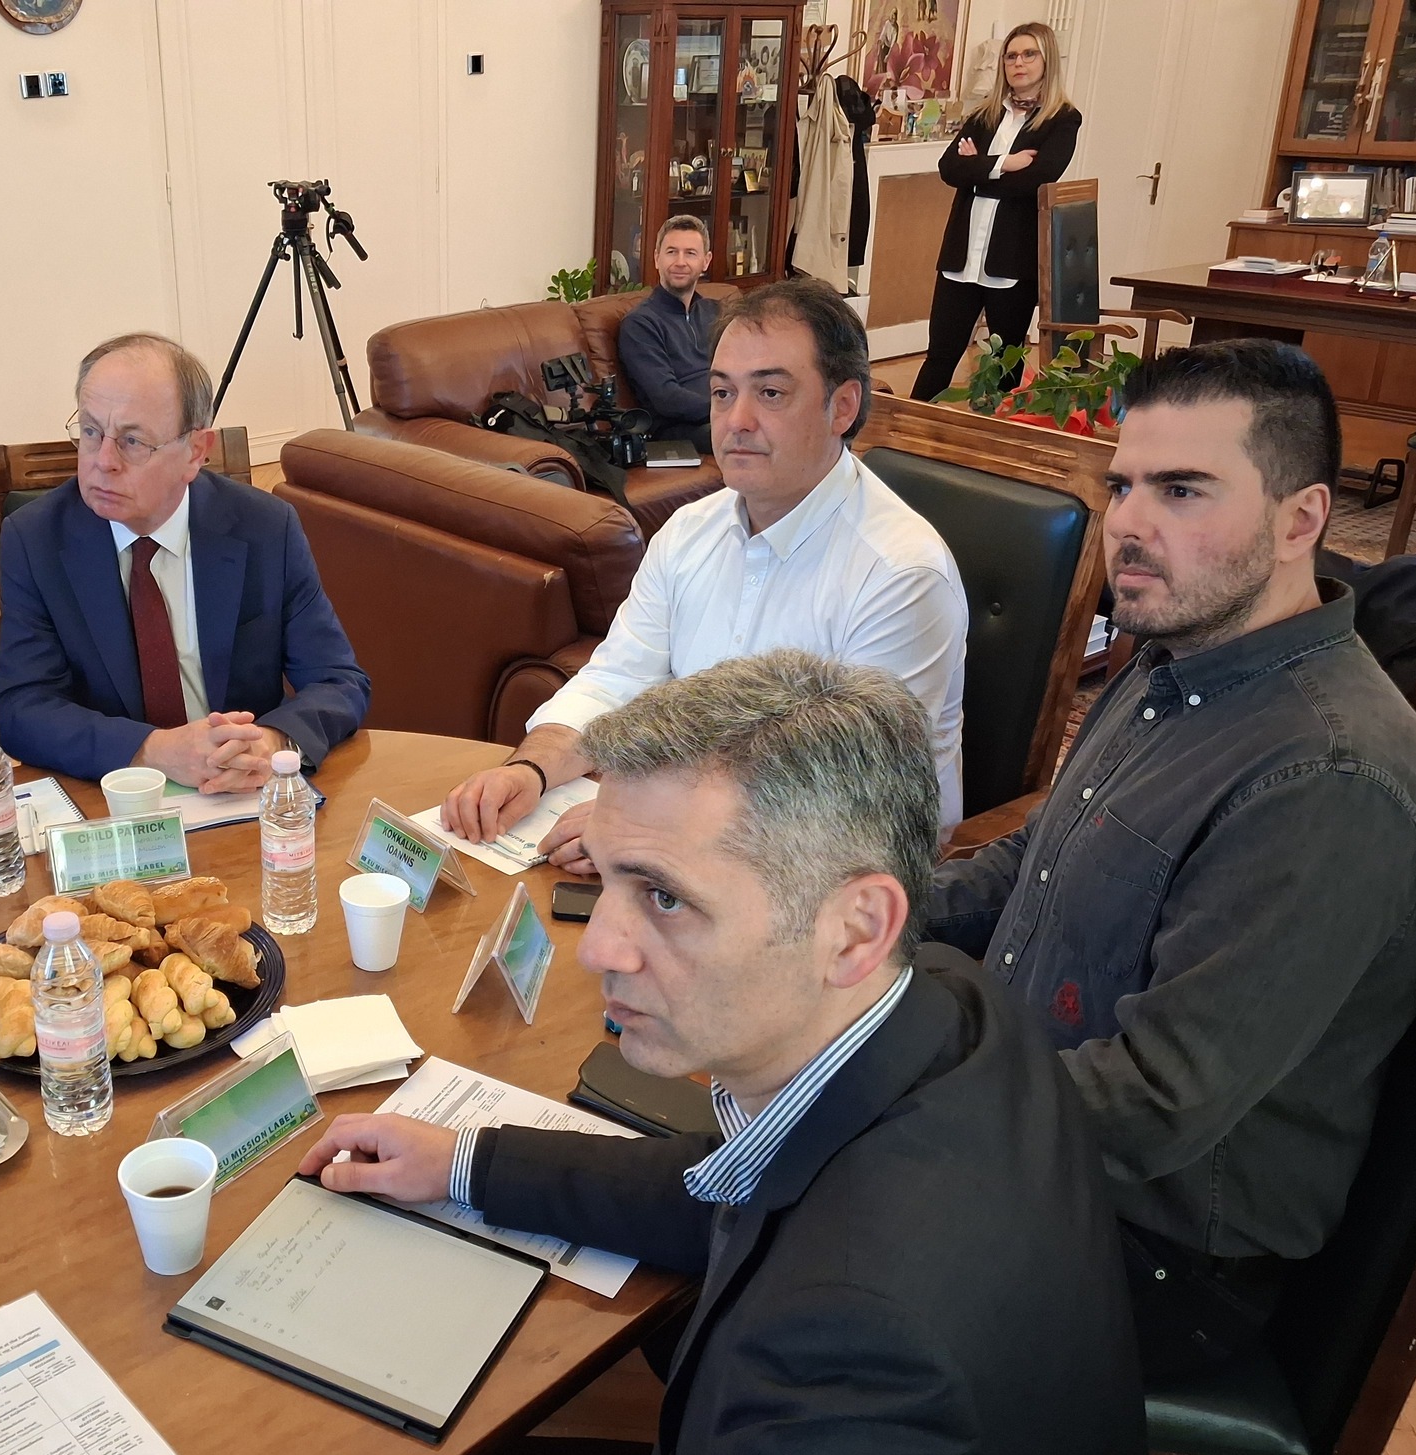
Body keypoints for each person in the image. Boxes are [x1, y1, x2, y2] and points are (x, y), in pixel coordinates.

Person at [303, 653, 1147, 1455]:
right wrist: (467, 1162)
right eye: (612, 877)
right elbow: (739, 1182)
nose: (600, 950)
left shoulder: (850, 1361)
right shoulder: (945, 1001)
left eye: (665, 898)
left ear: (856, 929)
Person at [926, 340, 1416, 1379]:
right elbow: (1035, 862)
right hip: (1038, 1124)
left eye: (1182, 490)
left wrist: (903, 1088)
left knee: (770, 1259)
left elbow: (1155, 1103)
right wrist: (851, 915)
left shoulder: (1330, 779)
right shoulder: (1178, 655)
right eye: (1123, 487)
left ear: (1300, 520)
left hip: (1157, 1256)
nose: (1128, 523)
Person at [442, 279, 967, 858]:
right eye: (722, 392)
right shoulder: (690, 530)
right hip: (695, 830)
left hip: (841, 868)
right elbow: (618, 680)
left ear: (842, 407)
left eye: (770, 393)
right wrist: (531, 770)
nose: (736, 419)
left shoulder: (900, 574)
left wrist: (647, 825)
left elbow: (853, 798)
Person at [0, 333, 369, 788]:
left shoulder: (266, 528)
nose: (103, 461)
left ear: (196, 451)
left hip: (238, 788)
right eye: (90, 432)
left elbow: (338, 681)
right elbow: (22, 707)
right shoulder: (35, 539)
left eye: (132, 441)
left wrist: (271, 742)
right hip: (114, 792)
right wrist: (152, 750)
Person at [908, 22, 1082, 402]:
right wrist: (1006, 163)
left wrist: (978, 170)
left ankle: (995, 432)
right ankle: (907, 427)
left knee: (1005, 364)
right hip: (961, 257)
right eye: (1011, 56)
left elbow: (1036, 180)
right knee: (940, 355)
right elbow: (949, 169)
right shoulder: (983, 116)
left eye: (1029, 54)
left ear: (1047, 61)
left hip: (1012, 260)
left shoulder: (1063, 120)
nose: (1018, 63)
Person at [616, 215, 718, 438]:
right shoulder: (640, 324)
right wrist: (725, 410)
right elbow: (667, 398)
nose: (680, 262)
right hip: (680, 429)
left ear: (706, 261)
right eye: (672, 252)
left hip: (725, 417)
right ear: (657, 259)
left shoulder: (716, 312)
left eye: (690, 253)